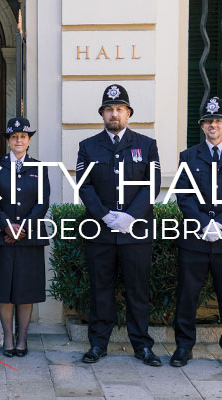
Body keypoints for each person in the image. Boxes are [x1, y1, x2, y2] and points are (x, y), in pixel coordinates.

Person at [76, 84, 162, 366]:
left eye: (119, 109)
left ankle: (142, 346)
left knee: (137, 290)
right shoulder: (88, 146)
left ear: (128, 113)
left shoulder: (147, 145)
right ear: (102, 114)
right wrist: (105, 215)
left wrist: (130, 216)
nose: (114, 114)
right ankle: (98, 344)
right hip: (100, 232)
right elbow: (84, 185)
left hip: (136, 232)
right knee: (100, 290)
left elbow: (152, 185)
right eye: (109, 109)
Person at [170, 97, 222, 371]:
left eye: (217, 121)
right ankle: (183, 347)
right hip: (195, 238)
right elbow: (184, 195)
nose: (212, 125)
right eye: (207, 121)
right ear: (202, 126)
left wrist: (221, 225)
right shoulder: (188, 156)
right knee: (187, 295)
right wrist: (205, 223)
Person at [0, 117, 50, 357]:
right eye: (14, 137)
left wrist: (23, 227)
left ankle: (22, 338)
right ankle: (8, 337)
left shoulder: (39, 167)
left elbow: (42, 202)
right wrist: (7, 226)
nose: (18, 140)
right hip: (1, 236)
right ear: (8, 141)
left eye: (23, 136)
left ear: (29, 140)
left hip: (30, 237)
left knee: (25, 289)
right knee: (4, 289)